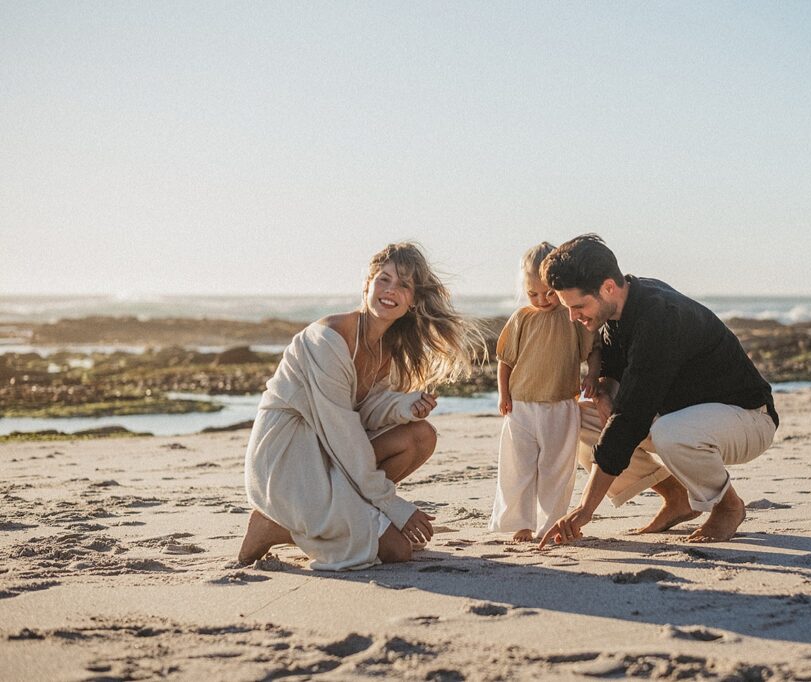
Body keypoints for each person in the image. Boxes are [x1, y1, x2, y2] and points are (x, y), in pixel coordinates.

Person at [238, 243, 484, 569]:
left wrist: (403, 406)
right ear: (367, 283)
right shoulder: (327, 340)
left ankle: (342, 512)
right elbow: (343, 434)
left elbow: (365, 411)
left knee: (420, 435)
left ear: (412, 301)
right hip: (289, 457)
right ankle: (274, 525)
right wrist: (392, 505)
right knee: (397, 551)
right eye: (384, 279)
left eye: (404, 285)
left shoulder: (386, 348)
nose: (391, 290)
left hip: (328, 448)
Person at [537, 234, 779, 548]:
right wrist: (606, 391)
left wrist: (585, 510)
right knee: (581, 418)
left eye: (578, 306)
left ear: (608, 286)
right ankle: (677, 497)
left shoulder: (659, 318)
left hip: (747, 418)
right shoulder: (620, 306)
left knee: (668, 433)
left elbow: (630, 419)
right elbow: (614, 362)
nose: (573, 316)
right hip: (684, 417)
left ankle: (727, 506)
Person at [488, 242, 597, 542]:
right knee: (517, 467)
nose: (542, 300)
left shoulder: (571, 316)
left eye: (549, 293)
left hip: (561, 405)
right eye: (533, 293)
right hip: (521, 406)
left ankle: (552, 523)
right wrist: (503, 395)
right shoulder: (521, 317)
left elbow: (593, 351)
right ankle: (520, 523)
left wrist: (594, 376)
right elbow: (505, 361)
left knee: (556, 470)